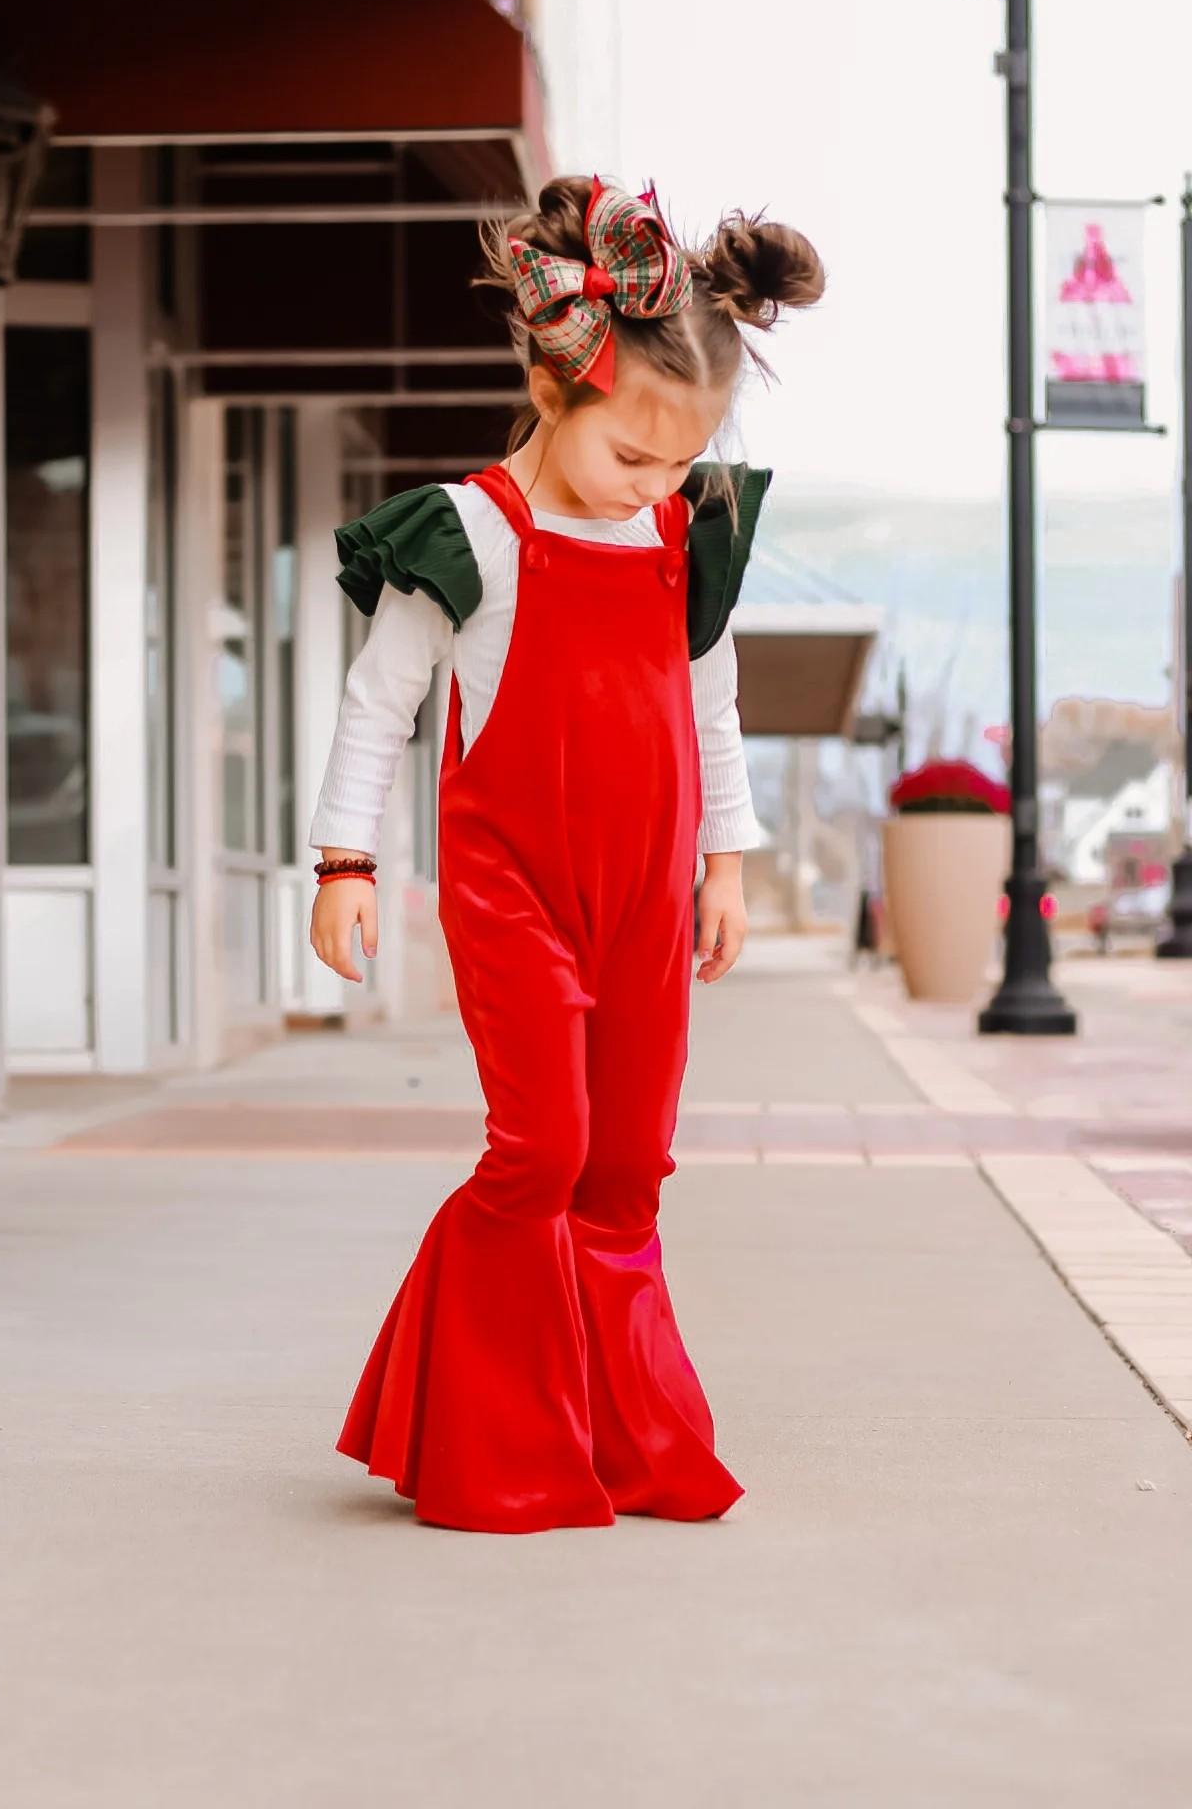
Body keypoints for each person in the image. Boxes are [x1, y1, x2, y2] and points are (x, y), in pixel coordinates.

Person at [309, 175, 824, 1533]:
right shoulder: (473, 531)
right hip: (512, 889)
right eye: (634, 458)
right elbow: (379, 704)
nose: (656, 486)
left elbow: (711, 707)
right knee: (541, 1150)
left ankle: (623, 1435)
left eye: (677, 464)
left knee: (626, 1166)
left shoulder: (685, 533)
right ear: (552, 392)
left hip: (647, 894)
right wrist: (345, 864)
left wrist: (726, 864)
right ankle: (487, 1434)